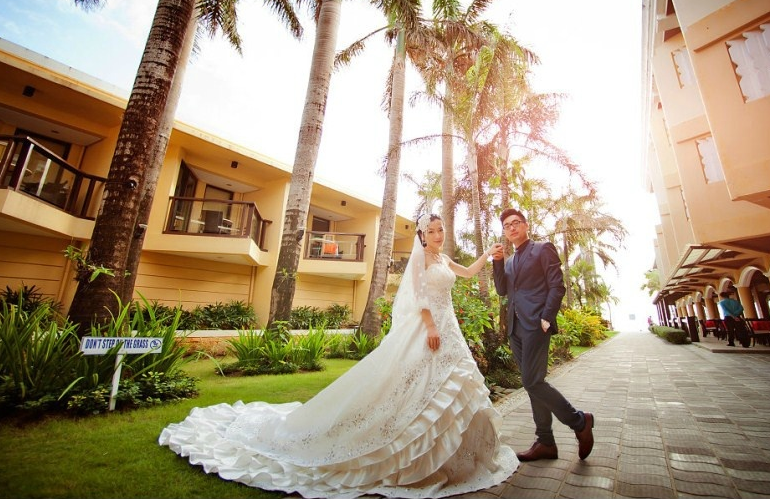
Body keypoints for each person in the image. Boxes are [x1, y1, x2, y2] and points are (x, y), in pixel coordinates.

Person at [159, 214, 517, 499]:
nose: (438, 235)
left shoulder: (443, 257)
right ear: (423, 235)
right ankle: (403, 444)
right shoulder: (421, 258)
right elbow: (421, 296)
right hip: (430, 329)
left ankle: (454, 457)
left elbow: (467, 273)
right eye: (432, 231)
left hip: (450, 328)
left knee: (449, 386)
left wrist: (488, 255)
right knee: (415, 385)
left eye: (441, 230)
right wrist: (430, 327)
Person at [492, 208, 595, 462]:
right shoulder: (510, 261)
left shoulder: (542, 249)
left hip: (537, 325)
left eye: (516, 222)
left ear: (526, 225)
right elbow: (502, 290)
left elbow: (556, 285)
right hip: (516, 328)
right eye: (507, 225)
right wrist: (497, 262)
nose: (512, 227)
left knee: (532, 382)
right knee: (533, 385)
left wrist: (547, 317)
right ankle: (546, 442)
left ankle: (580, 421)